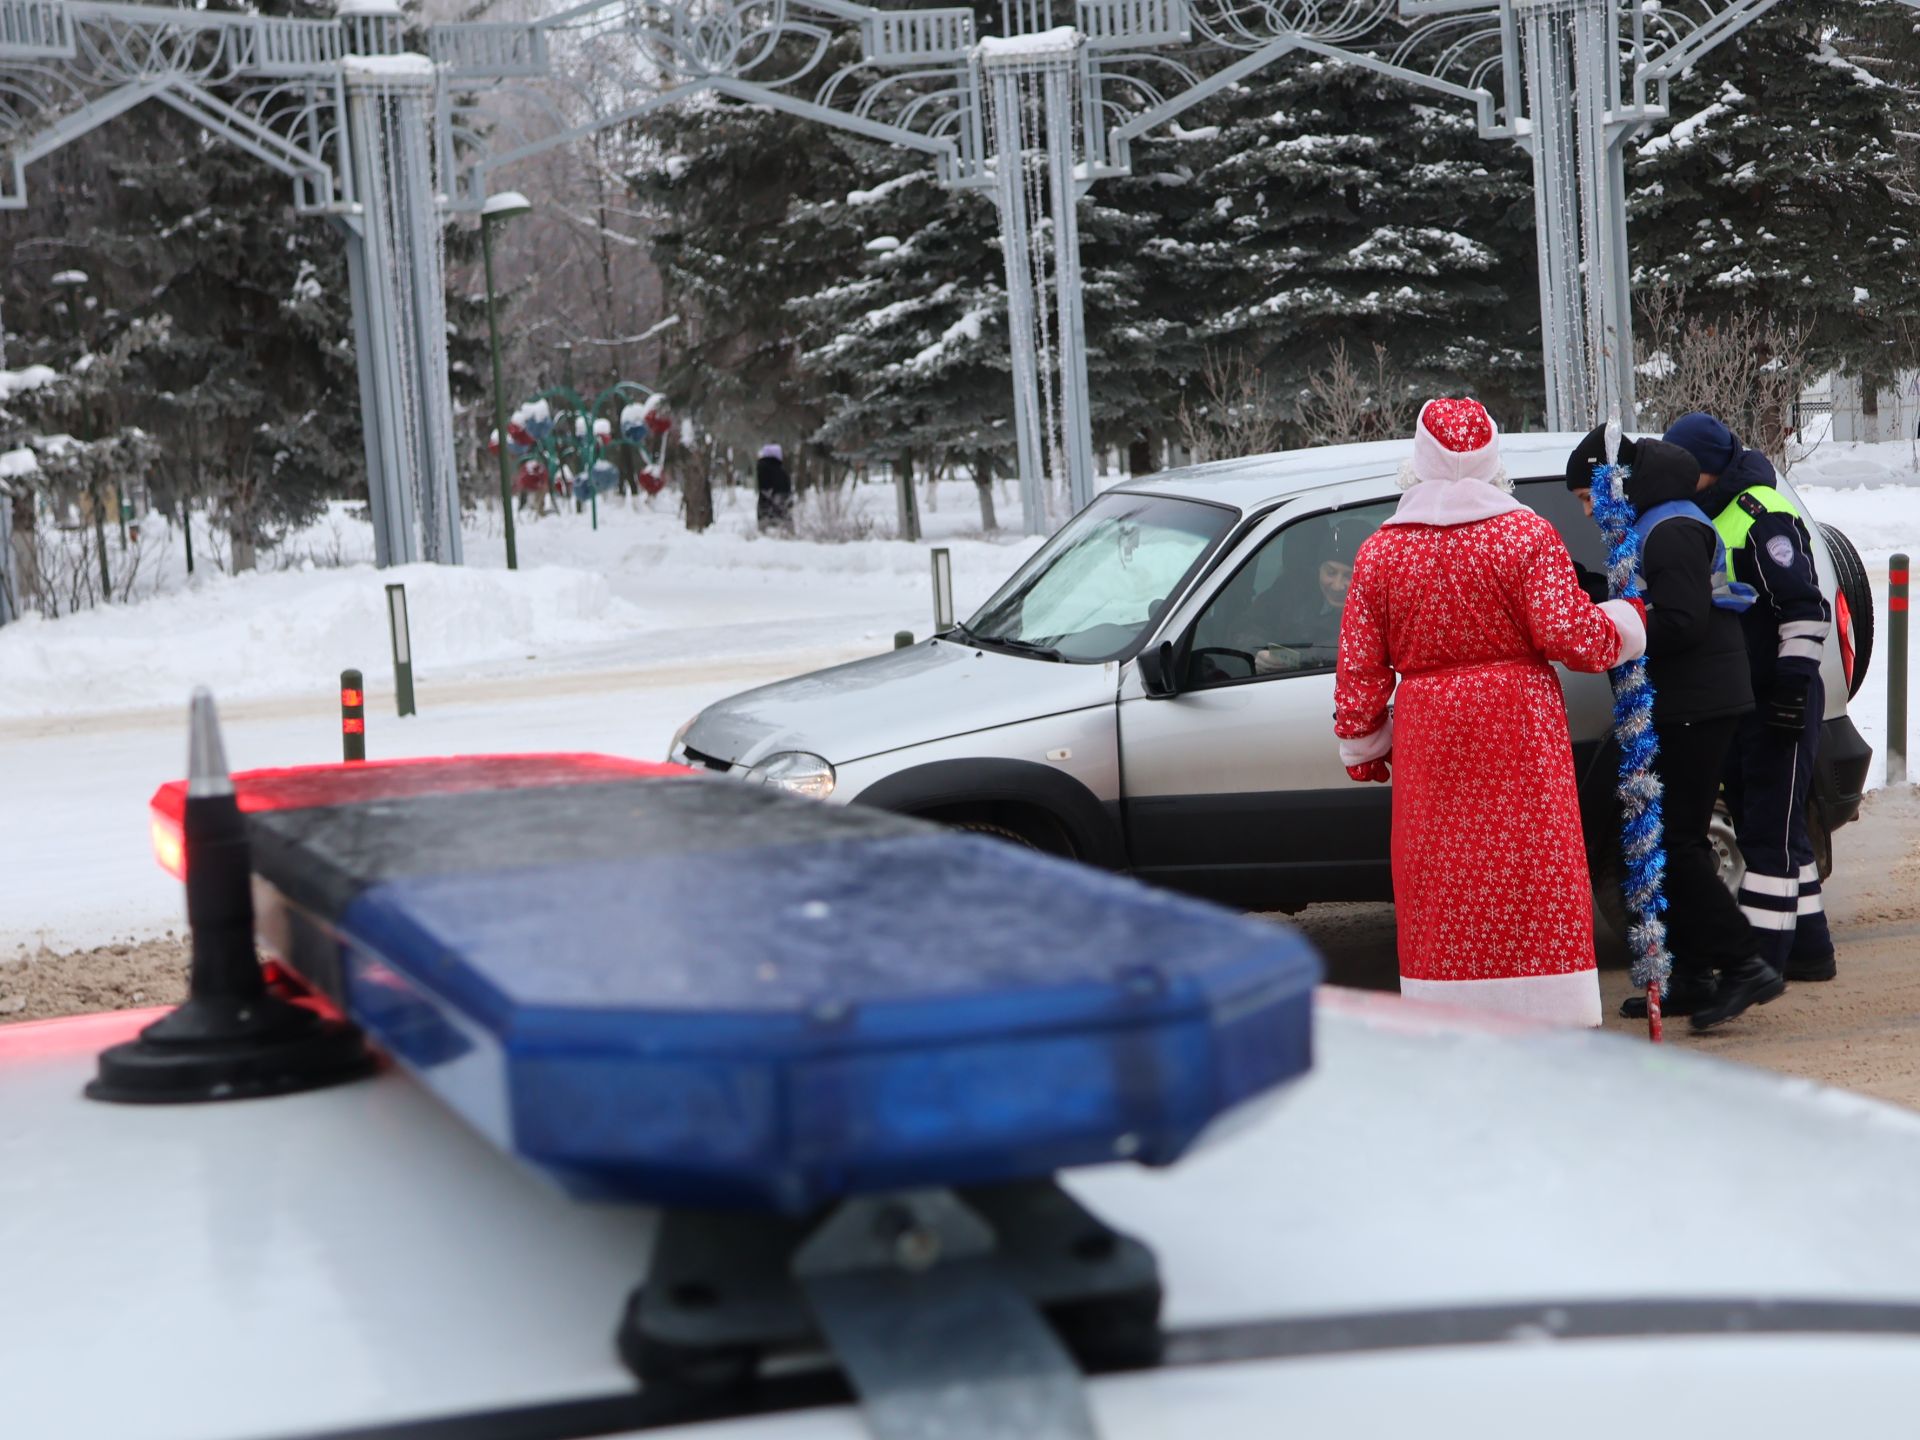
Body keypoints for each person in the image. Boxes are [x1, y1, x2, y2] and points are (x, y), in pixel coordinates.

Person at [1334, 398, 1645, 1027]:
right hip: (1519, 730)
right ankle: (1547, 1003)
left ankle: (1450, 1007)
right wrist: (1629, 621)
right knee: (1530, 870)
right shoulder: (1525, 536)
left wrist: (1364, 741)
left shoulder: (1381, 554)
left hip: (1431, 738)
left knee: (1444, 882)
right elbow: (1575, 638)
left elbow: (1358, 669)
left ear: (1416, 464)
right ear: (1493, 462)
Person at [1565, 428, 1778, 1030]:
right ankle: (1689, 974)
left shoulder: (1671, 527)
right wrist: (1589, 592)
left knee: (1678, 843)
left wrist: (1614, 623)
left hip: (1699, 702)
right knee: (1663, 844)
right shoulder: (1656, 522)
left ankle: (1744, 964)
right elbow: (1650, 598)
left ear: (1616, 483)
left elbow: (1680, 620)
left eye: (1588, 496)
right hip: (1687, 697)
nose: (1587, 510)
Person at [1663, 412, 1837, 994]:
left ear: (1708, 470)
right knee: (1781, 830)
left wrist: (1790, 689)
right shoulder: (1709, 513)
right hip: (1747, 697)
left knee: (1764, 834)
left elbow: (1804, 609)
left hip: (1779, 698)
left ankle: (1759, 961)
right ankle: (1810, 951)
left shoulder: (1763, 516)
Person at [756, 444, 793, 532]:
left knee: (766, 532)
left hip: (769, 504)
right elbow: (766, 487)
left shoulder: (768, 467)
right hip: (774, 504)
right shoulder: (771, 468)